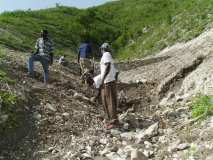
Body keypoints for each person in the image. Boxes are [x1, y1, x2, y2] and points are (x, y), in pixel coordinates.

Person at [99, 42, 118, 129]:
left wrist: (103, 79)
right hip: (110, 80)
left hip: (107, 82)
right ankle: (113, 119)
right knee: (111, 100)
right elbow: (115, 71)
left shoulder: (106, 54)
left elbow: (108, 66)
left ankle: (113, 121)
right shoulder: (109, 55)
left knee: (108, 101)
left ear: (102, 49)